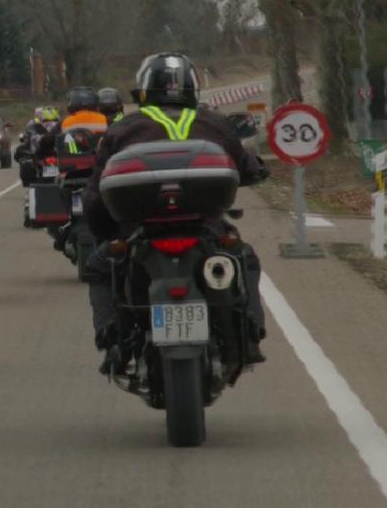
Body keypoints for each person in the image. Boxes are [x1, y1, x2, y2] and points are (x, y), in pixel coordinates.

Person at [81, 52, 268, 375]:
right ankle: (250, 333)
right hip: (205, 228)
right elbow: (247, 166)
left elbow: (96, 193)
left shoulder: (124, 129)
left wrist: (106, 232)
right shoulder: (214, 123)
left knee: (100, 267)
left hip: (137, 230)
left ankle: (110, 336)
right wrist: (257, 170)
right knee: (243, 258)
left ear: (144, 89)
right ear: (192, 87)